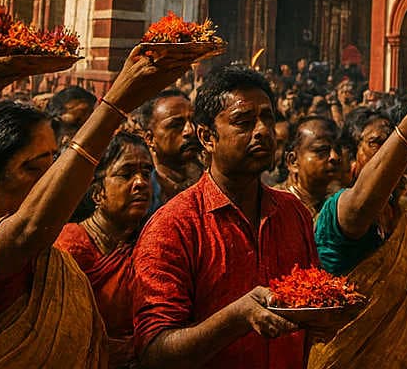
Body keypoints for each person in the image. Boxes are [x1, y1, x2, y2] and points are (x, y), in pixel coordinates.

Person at [0, 44, 196, 369]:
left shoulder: (51, 259)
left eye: (53, 162)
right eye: (33, 168)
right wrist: (116, 104)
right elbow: (27, 231)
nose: (50, 179)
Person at [133, 66, 318, 369]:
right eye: (244, 122)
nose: (262, 131)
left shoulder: (293, 212)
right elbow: (154, 352)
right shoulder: (173, 225)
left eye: (267, 118)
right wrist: (236, 317)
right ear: (207, 137)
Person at [308, 79, 407, 369]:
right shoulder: (337, 213)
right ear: (350, 159)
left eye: (393, 143)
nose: (391, 152)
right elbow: (362, 203)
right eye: (375, 144)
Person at [56, 130, 153, 367]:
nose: (140, 183)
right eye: (126, 174)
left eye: (146, 173)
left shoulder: (152, 239)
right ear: (98, 193)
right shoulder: (69, 245)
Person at [140, 88, 203, 205]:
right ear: (150, 138)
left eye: (193, 121)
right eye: (176, 125)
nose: (190, 130)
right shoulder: (142, 192)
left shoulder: (213, 181)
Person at [284, 115, 343, 214]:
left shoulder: (340, 203)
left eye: (337, 149)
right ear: (293, 161)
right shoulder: (276, 206)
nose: (335, 157)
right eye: (322, 150)